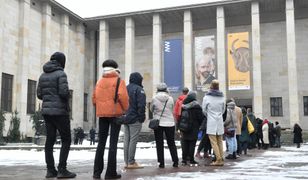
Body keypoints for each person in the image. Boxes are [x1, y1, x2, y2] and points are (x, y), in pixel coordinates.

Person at [37, 52, 76, 178]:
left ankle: (50, 170)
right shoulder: (61, 74)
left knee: (50, 140)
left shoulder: (43, 75)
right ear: (61, 61)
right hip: (60, 112)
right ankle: (62, 169)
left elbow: (39, 95)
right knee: (66, 139)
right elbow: (64, 93)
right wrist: (68, 95)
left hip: (47, 113)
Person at [92, 59, 129, 179]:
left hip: (102, 115)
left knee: (101, 143)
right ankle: (110, 173)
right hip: (115, 114)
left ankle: (96, 172)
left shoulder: (99, 82)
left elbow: (94, 99)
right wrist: (125, 109)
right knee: (113, 143)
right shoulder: (119, 81)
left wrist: (101, 107)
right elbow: (123, 97)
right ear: (115, 69)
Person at [150, 83, 179, 168]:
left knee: (159, 143)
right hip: (170, 123)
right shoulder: (170, 98)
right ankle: (175, 161)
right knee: (171, 143)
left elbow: (151, 109)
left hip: (158, 123)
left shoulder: (154, 98)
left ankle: (161, 163)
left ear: (157, 89)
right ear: (166, 89)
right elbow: (172, 108)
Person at [124, 72, 146, 169]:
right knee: (133, 140)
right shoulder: (139, 89)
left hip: (126, 118)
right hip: (135, 118)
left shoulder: (125, 88)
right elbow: (141, 105)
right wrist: (141, 117)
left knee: (127, 140)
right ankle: (131, 162)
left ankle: (127, 162)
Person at [202, 80, 225, 166]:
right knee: (220, 140)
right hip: (219, 120)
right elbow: (223, 110)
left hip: (211, 121)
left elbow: (204, 110)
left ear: (211, 86)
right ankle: (221, 158)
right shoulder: (222, 97)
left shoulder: (206, 97)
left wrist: (209, 115)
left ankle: (218, 159)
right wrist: (218, 115)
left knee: (213, 141)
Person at [179, 91, 203, 166]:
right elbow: (201, 118)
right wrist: (199, 125)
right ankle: (191, 160)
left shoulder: (183, 104)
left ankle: (184, 160)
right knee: (192, 143)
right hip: (194, 127)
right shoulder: (197, 106)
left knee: (184, 143)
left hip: (184, 127)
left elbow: (180, 116)